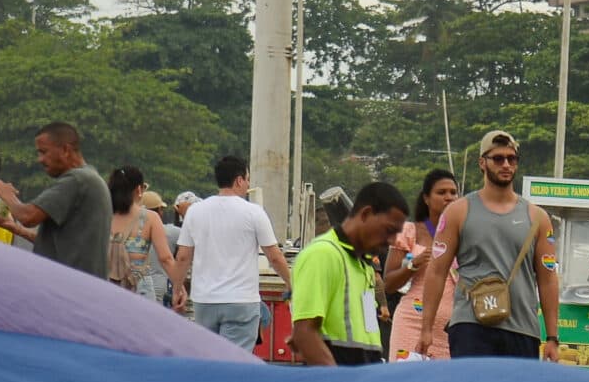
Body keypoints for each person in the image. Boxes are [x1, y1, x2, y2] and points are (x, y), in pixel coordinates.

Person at [420, 130, 559, 361]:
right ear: (482, 163)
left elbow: (548, 279)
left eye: (512, 159)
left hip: (522, 329)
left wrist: (553, 337)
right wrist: (426, 329)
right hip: (470, 325)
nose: (506, 165)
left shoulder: (537, 217)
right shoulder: (458, 211)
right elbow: (436, 271)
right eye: (498, 158)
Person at [288, 180, 409, 367]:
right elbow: (304, 334)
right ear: (366, 214)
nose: (392, 240)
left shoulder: (363, 265)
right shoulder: (322, 254)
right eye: (388, 230)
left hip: (365, 371)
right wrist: (340, 379)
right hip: (337, 376)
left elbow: (366, 330)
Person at [175, 154, 289, 351]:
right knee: (235, 360)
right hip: (241, 301)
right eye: (247, 179)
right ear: (239, 180)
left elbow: (183, 256)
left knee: (209, 358)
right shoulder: (254, 212)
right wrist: (291, 282)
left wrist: (178, 288)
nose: (248, 184)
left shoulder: (195, 211)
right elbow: (275, 257)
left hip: (205, 301)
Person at [0, 122, 109, 280]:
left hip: (71, 284)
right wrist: (16, 229)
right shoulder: (91, 178)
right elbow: (64, 246)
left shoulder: (77, 180)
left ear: (65, 150)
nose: (40, 159)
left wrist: (7, 195)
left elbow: (28, 217)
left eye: (44, 152)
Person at [387, 170, 462, 360]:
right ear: (426, 198)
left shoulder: (465, 235)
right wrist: (413, 265)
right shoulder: (410, 231)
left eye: (453, 192)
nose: (449, 197)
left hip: (451, 328)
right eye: (441, 192)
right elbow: (388, 283)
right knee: (407, 378)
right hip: (413, 323)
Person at [106, 167, 181, 309]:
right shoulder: (150, 218)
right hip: (140, 287)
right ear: (139, 190)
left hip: (106, 285)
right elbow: (165, 258)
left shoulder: (102, 215)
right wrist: (179, 287)